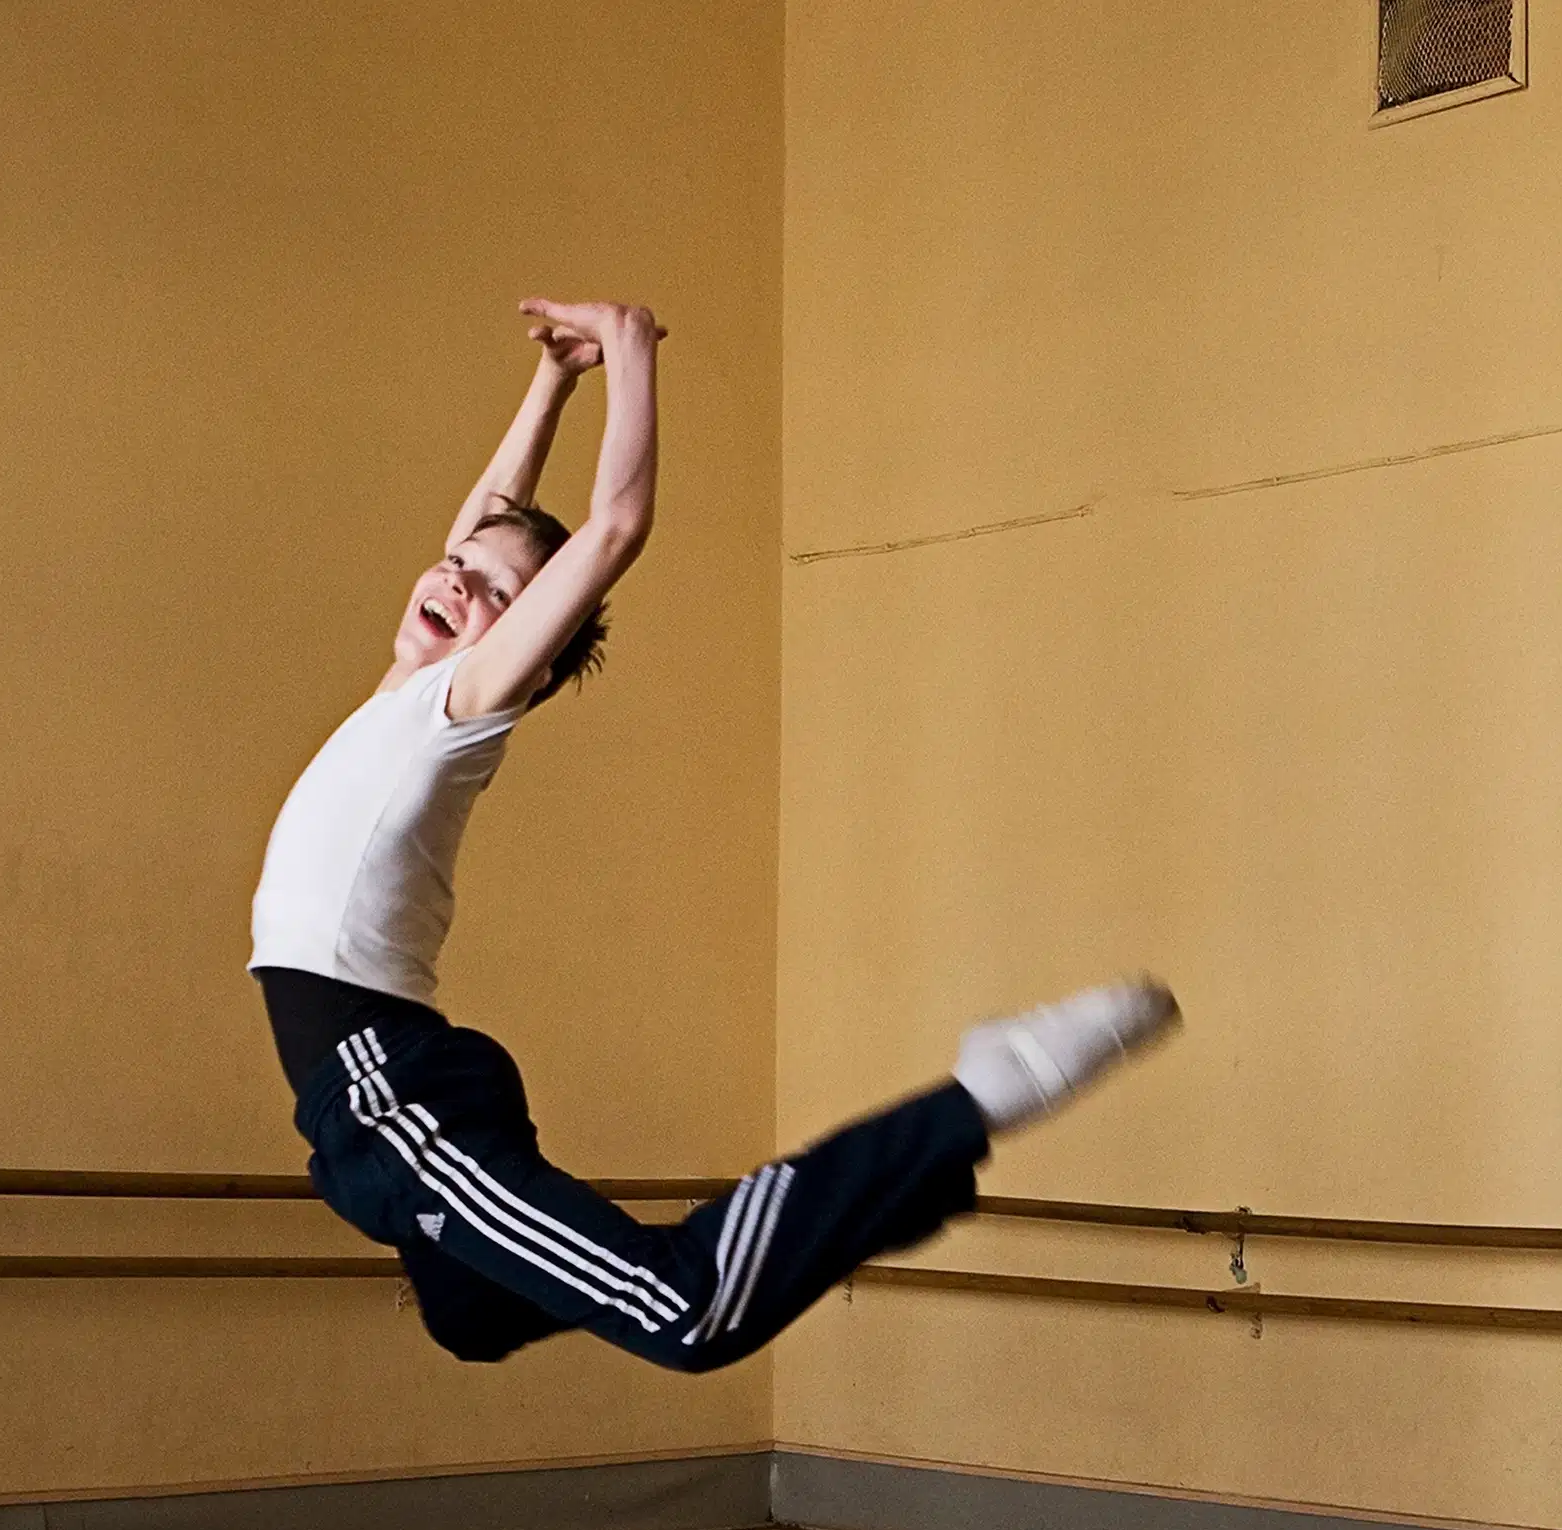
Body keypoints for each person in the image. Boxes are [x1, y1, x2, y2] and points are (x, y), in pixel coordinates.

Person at [247, 297, 1178, 1373]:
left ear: (530, 657)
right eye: (461, 564)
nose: (461, 578)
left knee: (681, 1312)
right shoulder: (405, 685)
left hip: (385, 1085)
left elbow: (613, 529)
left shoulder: (451, 710)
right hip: (381, 1077)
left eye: (501, 591)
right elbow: (490, 517)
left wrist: (632, 354)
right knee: (476, 1316)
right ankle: (866, 1202)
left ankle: (975, 1096)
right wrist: (553, 382)